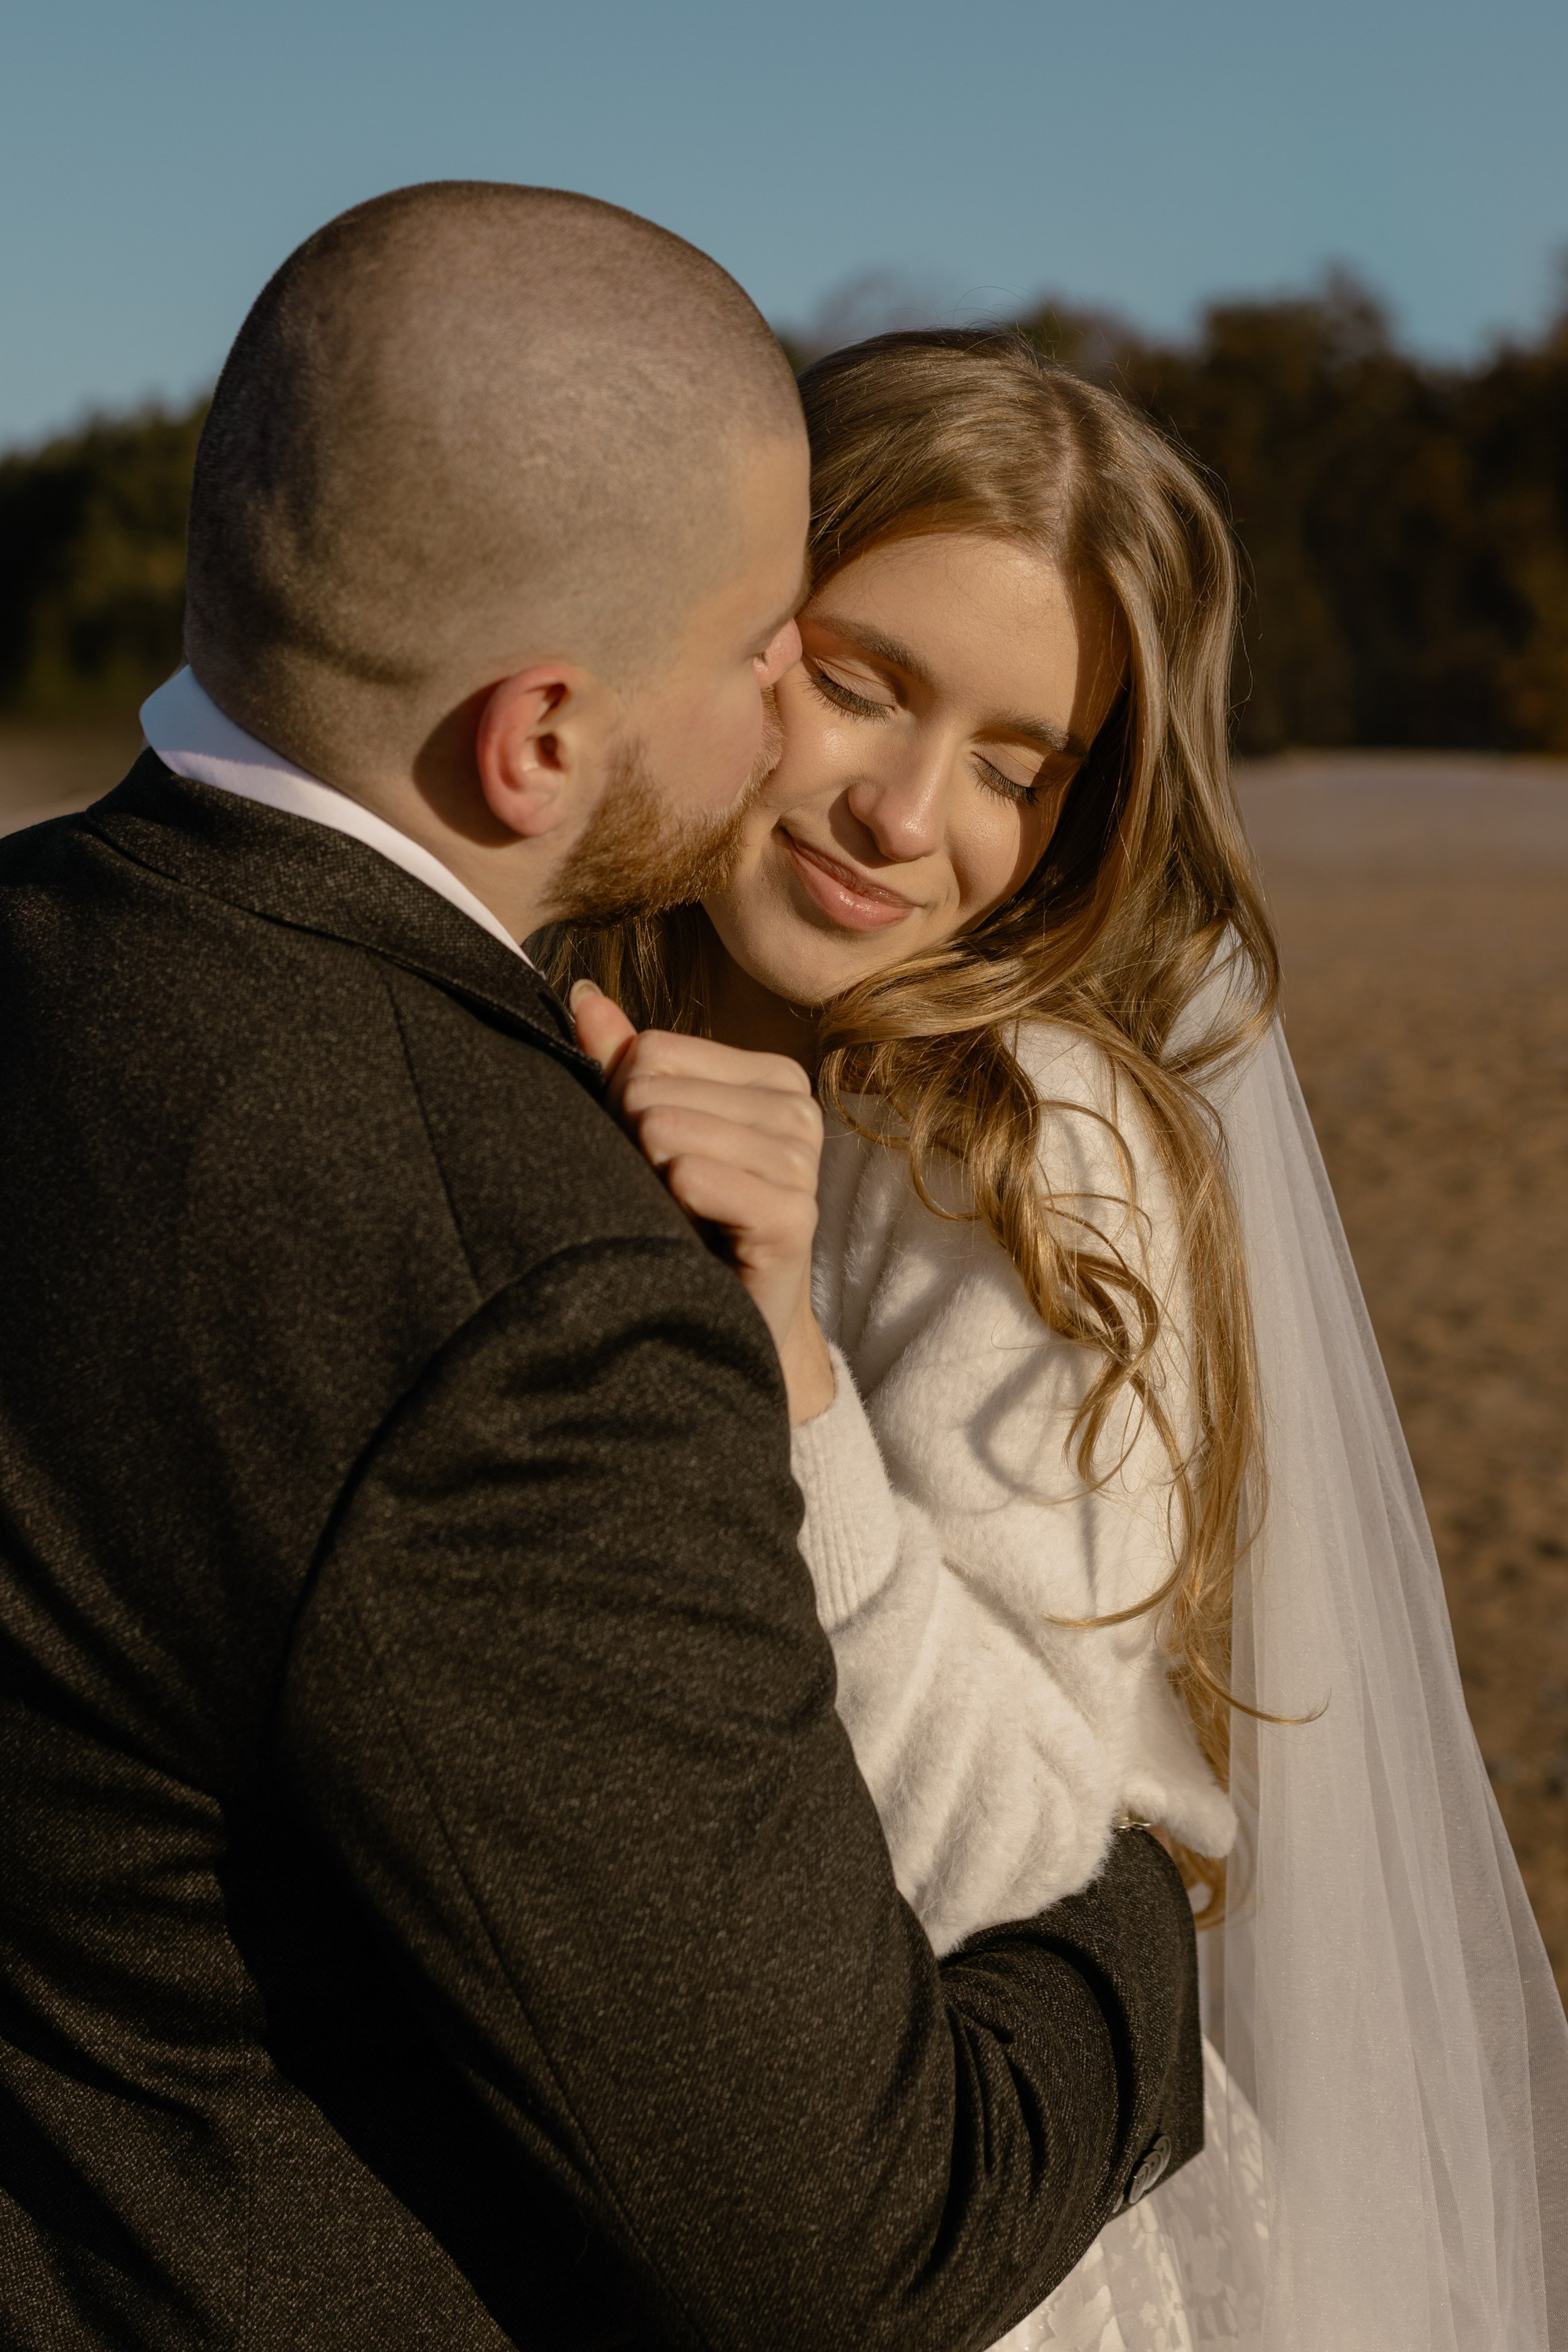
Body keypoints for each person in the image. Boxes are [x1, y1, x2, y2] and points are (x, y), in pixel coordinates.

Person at [0, 192, 1205, 2350]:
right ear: (541, 730)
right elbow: (831, 2231)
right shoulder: (525, 1280)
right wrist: (1153, 1958)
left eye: (1019, 763)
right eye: (807, 663)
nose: (882, 799)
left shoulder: (81, 957)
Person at [554, 330, 1568, 2349]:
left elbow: (1045, 1849)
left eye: (1019, 765)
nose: (907, 814)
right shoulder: (549, 992)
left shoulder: (1018, 1153)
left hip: (950, 2239)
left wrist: (796, 1374)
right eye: (858, 681)